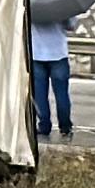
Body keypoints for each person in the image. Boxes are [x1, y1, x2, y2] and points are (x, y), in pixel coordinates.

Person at [27, 12, 74, 141]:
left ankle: (44, 126)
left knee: (40, 95)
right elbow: (71, 26)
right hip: (59, 54)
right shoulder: (62, 5)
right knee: (62, 94)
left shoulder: (33, 4)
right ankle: (65, 126)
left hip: (36, 54)